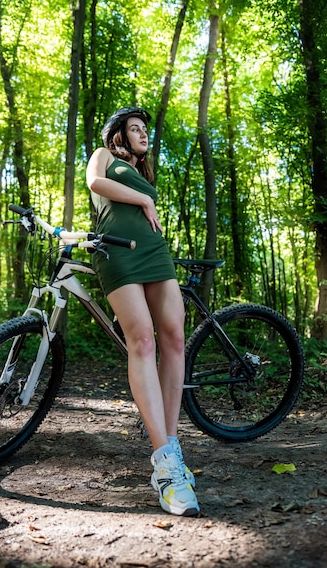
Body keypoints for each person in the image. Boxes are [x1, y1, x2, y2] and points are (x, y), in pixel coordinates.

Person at [86, 106, 200, 517]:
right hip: (117, 253)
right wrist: (142, 199)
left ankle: (172, 447)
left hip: (154, 251)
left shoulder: (145, 172)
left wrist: (145, 196)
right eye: (134, 128)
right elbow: (96, 183)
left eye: (144, 130)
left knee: (173, 338)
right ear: (118, 134)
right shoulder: (105, 157)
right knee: (143, 340)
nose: (142, 134)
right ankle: (165, 466)